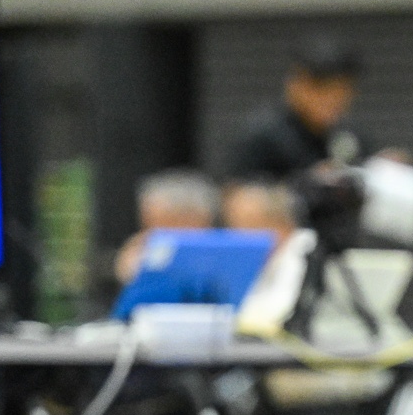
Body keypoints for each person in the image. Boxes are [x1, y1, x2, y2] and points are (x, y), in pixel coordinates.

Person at [221, 38, 366, 184]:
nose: (331, 99)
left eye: (340, 90)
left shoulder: (352, 136)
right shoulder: (262, 137)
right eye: (321, 88)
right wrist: (306, 184)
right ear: (295, 85)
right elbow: (236, 192)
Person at [110, 168, 221, 286]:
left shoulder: (221, 249)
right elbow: (129, 272)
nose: (150, 230)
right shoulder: (143, 246)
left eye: (163, 223)